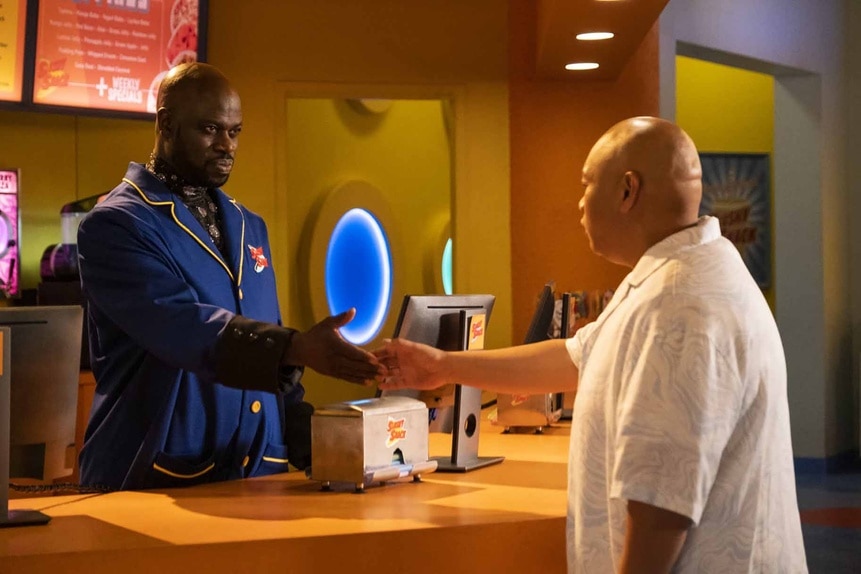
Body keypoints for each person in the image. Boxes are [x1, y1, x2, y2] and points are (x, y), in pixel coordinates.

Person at [375, 117, 807, 573]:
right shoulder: (679, 271)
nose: (579, 204)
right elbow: (577, 357)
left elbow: (662, 510)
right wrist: (443, 366)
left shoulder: (678, 308)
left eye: (586, 185)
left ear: (627, 191)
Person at [77, 62, 381, 491]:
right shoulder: (116, 226)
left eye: (235, 132)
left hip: (257, 474)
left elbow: (272, 353)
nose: (226, 145)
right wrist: (295, 346)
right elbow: (183, 327)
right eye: (210, 129)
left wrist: (323, 446)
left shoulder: (248, 225)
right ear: (165, 123)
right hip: (158, 479)